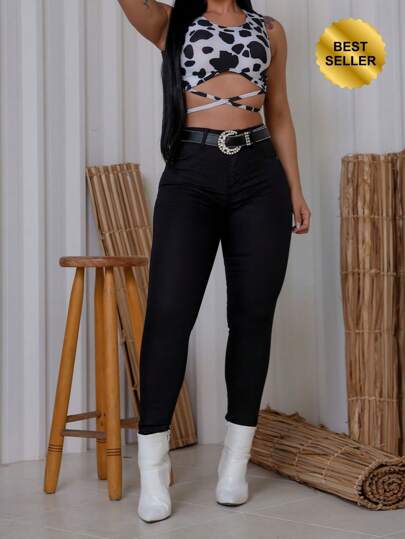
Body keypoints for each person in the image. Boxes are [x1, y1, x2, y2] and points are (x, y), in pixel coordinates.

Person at [117, 0, 311, 523]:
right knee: (168, 317)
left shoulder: (270, 29)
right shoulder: (171, 21)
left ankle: (234, 466)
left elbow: (279, 111)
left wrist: (295, 189)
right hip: (191, 172)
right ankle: (153, 472)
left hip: (260, 175)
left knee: (252, 318)